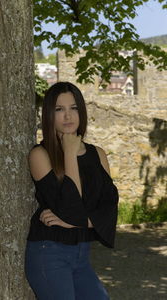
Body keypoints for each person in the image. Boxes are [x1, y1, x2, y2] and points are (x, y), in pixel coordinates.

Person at [25, 81, 119, 300]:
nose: (68, 116)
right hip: (49, 254)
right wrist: (69, 153)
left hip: (81, 256)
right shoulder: (40, 155)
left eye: (73, 107)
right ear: (49, 114)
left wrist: (75, 221)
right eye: (59, 109)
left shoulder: (98, 154)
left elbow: (109, 209)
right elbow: (71, 206)